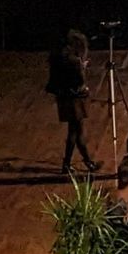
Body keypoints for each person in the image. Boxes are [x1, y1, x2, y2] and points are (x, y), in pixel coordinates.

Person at [46, 30, 96, 174]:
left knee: (74, 131)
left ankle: (80, 163)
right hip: (75, 98)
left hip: (64, 97)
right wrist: (82, 67)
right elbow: (80, 80)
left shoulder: (57, 56)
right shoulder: (74, 61)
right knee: (76, 131)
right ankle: (83, 163)